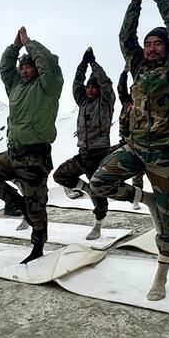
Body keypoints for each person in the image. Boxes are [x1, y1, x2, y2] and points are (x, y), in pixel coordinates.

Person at [91, 0, 169, 301]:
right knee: (99, 183)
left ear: (167, 48)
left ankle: (161, 275)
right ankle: (142, 199)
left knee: (167, 223)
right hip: (134, 148)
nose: (150, 48)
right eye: (147, 44)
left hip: (164, 155)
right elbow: (125, 36)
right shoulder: (138, 67)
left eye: (156, 43)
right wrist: (135, 2)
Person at [0, 27, 63, 264]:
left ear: (37, 68)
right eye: (22, 67)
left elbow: (47, 64)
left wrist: (30, 44)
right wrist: (14, 48)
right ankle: (18, 203)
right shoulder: (16, 87)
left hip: (35, 156)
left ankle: (38, 247)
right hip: (14, 152)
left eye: (29, 67)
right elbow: (6, 69)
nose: (24, 70)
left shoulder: (49, 86)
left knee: (37, 209)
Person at [53, 47, 115, 240]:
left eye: (93, 87)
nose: (89, 89)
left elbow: (105, 83)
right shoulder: (83, 102)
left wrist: (94, 64)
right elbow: (76, 85)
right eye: (88, 87)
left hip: (100, 153)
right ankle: (85, 188)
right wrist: (82, 64)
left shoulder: (105, 102)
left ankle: (98, 225)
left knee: (100, 195)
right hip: (83, 153)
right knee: (60, 175)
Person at [116, 65, 144, 209]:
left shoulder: (144, 104)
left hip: (140, 142)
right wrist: (125, 72)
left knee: (139, 172)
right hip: (124, 140)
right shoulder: (126, 102)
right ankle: (127, 194)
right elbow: (121, 88)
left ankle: (137, 199)